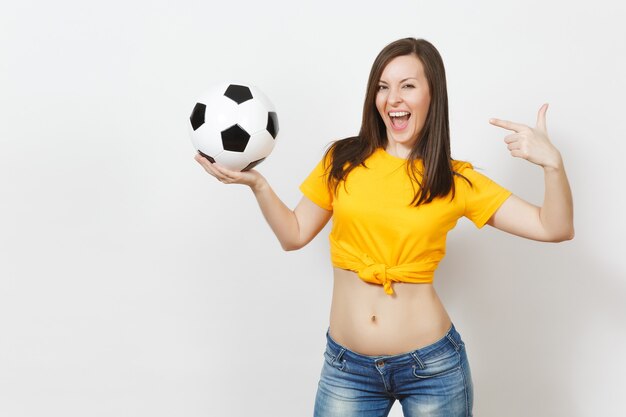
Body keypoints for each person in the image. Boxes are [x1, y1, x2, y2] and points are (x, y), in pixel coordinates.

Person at [194, 37, 574, 417]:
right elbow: (293, 235)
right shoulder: (342, 159)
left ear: (432, 96)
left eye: (408, 85)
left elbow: (552, 227)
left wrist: (552, 165)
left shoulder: (455, 180)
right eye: (383, 86)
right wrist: (258, 185)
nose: (393, 98)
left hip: (432, 368)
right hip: (347, 368)